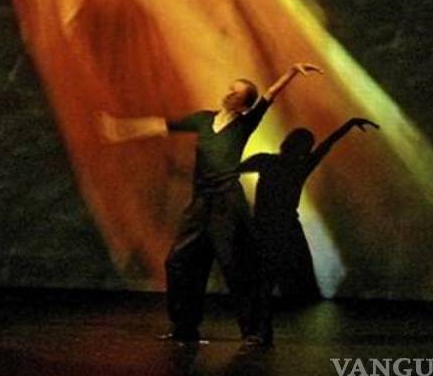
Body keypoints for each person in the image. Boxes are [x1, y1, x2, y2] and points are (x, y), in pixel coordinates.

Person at [100, 63, 321, 348]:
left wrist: (291, 72)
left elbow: (269, 95)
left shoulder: (243, 125)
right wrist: (121, 129)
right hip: (200, 203)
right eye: (230, 90)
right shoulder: (204, 120)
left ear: (244, 105)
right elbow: (162, 125)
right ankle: (185, 327)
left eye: (236, 94)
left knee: (236, 267)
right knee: (179, 262)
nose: (229, 95)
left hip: (227, 205)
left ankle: (256, 332)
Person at [237, 117, 379, 305]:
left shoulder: (268, 161)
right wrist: (350, 123)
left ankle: (264, 306)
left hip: (272, 224)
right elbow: (328, 144)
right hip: (281, 225)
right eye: (306, 145)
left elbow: (232, 171)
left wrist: (350, 123)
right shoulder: (293, 164)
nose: (308, 149)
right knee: (287, 271)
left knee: (273, 271)